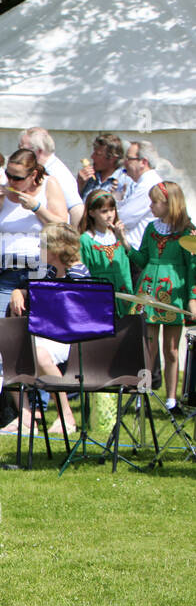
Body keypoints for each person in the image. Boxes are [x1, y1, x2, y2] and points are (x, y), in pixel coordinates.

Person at [6, 223, 94, 435]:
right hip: (48, 334)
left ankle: (66, 415)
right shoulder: (52, 271)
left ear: (57, 248)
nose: (39, 247)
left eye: (43, 244)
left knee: (39, 354)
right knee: (8, 352)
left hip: (72, 339)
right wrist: (18, 292)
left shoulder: (79, 274)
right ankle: (26, 417)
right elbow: (34, 291)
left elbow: (78, 316)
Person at [126, 181, 194, 411]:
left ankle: (172, 398)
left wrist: (192, 296)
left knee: (172, 349)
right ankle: (141, 393)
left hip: (172, 293)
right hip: (148, 291)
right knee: (148, 347)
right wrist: (126, 244)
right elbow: (143, 260)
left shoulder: (187, 232)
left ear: (169, 203)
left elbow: (193, 267)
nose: (151, 206)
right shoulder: (151, 228)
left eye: (155, 201)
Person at [0, 148, 68, 318]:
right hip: (7, 269)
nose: (11, 181)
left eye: (17, 178)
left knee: (39, 324)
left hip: (40, 270)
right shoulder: (0, 184)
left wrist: (37, 208)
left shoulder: (49, 184)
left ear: (33, 175)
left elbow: (63, 228)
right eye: (8, 174)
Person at [78, 189, 134, 318]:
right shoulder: (86, 240)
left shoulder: (118, 237)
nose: (110, 215)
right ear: (92, 212)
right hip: (99, 295)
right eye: (104, 211)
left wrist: (129, 294)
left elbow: (125, 270)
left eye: (112, 210)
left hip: (122, 295)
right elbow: (84, 272)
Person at [19, 127, 85, 227]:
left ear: (39, 150)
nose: (19, 153)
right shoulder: (44, 169)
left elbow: (76, 208)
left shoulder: (57, 173)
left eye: (22, 149)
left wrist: (75, 238)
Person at [117, 140, 165, 248]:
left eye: (129, 159)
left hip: (137, 252)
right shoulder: (142, 183)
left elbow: (123, 218)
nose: (124, 163)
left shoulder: (149, 185)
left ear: (143, 162)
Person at [77, 133, 126, 199]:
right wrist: (80, 184)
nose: (92, 157)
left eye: (98, 154)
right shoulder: (90, 179)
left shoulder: (124, 181)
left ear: (112, 158)